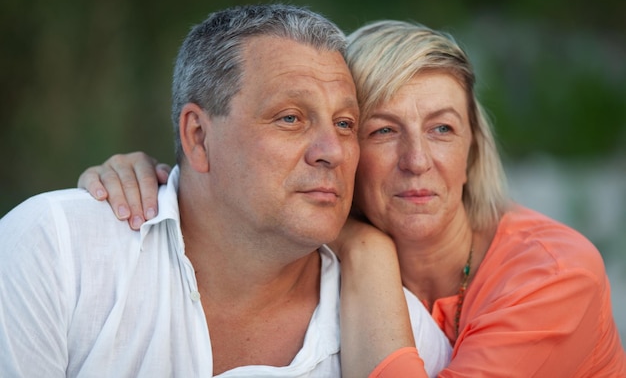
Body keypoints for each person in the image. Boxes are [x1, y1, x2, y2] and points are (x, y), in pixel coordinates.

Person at [81, 19, 626, 377]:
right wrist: (158, 178)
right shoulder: (308, 262)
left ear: (473, 152)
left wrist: (365, 250)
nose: (417, 160)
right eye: (383, 131)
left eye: (442, 130)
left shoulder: (555, 276)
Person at [0, 5, 453, 377]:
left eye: (345, 123)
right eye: (290, 118)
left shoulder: (402, 335)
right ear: (198, 136)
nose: (332, 151)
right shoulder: (58, 252)